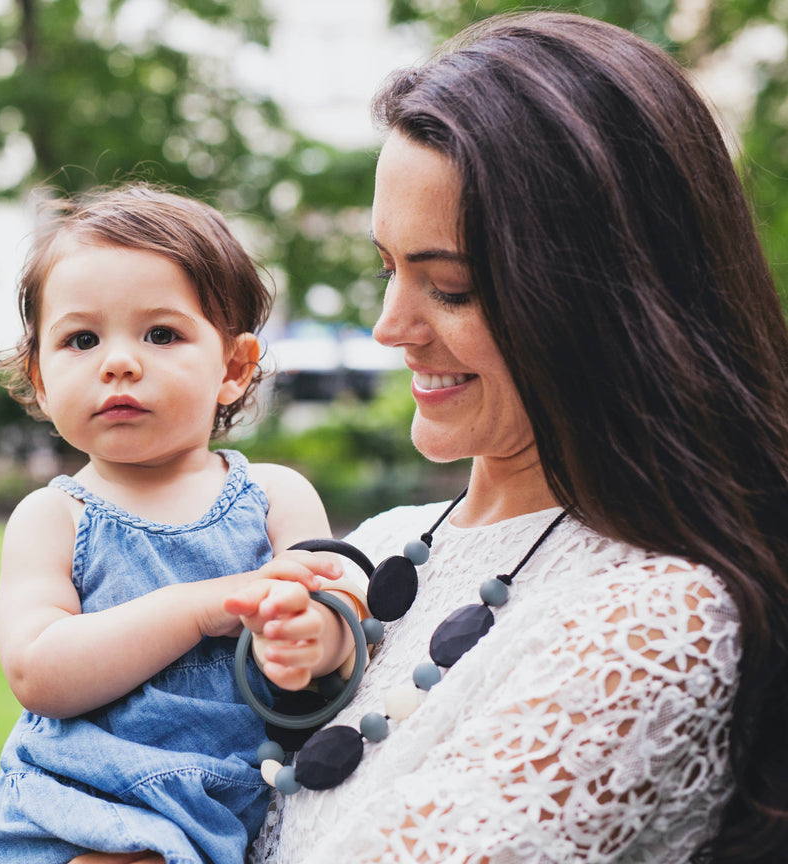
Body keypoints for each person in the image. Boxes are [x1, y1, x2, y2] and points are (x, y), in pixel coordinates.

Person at [248, 11, 788, 864]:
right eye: (386, 269)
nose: (390, 327)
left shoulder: (652, 614)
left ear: (611, 299)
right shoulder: (384, 548)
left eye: (451, 287)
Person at [0, 183, 362, 864]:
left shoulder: (274, 497)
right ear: (40, 375)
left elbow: (342, 614)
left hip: (232, 795)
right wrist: (199, 608)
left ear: (234, 368)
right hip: (84, 801)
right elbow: (39, 672)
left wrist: (315, 638)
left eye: (161, 333)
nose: (119, 361)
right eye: (82, 339)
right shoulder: (53, 517)